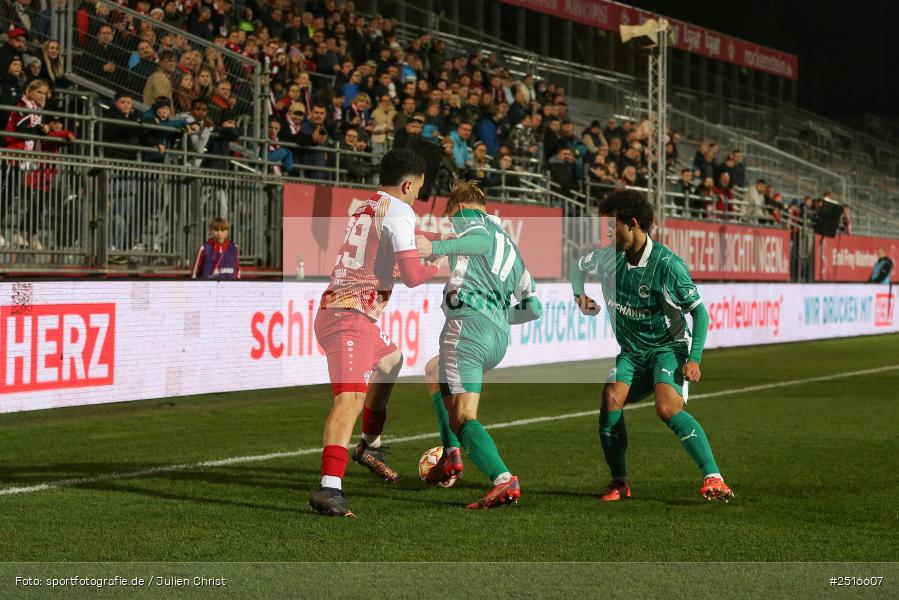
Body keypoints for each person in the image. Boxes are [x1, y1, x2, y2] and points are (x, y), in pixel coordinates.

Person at [570, 190, 733, 503]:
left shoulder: (668, 265)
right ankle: (619, 482)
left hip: (667, 348)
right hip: (631, 353)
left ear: (632, 224)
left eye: (611, 226)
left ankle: (714, 477)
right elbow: (578, 267)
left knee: (666, 407)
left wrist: (695, 358)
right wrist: (580, 295)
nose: (606, 234)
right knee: (610, 398)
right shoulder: (607, 257)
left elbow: (699, 312)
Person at [309, 148, 445, 517]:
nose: (418, 196)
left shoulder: (367, 205)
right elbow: (415, 277)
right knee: (350, 399)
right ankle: (329, 488)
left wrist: (448, 240)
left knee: (391, 361)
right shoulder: (401, 210)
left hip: (349, 314)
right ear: (407, 184)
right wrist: (440, 264)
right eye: (418, 189)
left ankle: (368, 444)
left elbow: (410, 238)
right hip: (347, 316)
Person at [415, 180, 542, 508]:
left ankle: (503, 479)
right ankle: (451, 455)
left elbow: (479, 240)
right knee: (434, 370)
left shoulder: (470, 222)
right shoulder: (513, 247)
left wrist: (435, 249)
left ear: (455, 208)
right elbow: (534, 308)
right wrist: (496, 317)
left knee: (465, 417)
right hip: (496, 337)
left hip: (467, 328)